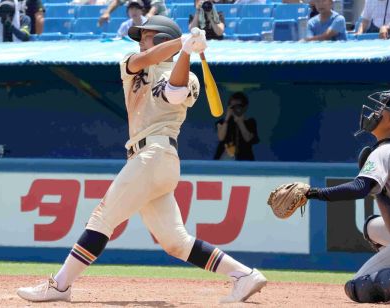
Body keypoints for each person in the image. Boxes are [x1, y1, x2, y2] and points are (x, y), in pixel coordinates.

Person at [16, 16, 267, 304]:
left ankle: (59, 286)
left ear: (161, 38)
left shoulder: (189, 77)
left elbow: (173, 94)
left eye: (146, 36)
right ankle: (244, 275)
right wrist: (183, 43)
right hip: (150, 160)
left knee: (102, 218)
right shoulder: (133, 65)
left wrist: (184, 52)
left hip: (156, 154)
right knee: (176, 242)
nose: (140, 41)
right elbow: (143, 59)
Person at [271, 89, 390, 303]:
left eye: (382, 111)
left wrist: (313, 193)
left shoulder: (386, 150)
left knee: (358, 286)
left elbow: (360, 187)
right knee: (371, 227)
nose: (375, 113)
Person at [214, 92, 259, 161]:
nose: (235, 109)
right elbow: (221, 137)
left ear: (245, 107)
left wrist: (240, 122)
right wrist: (227, 118)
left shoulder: (250, 122)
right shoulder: (222, 122)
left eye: (238, 106)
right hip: (224, 159)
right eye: (232, 106)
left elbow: (248, 138)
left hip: (244, 159)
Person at [99, 0, 167, 27]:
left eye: (136, 9)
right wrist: (107, 13)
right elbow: (118, 1)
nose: (134, 10)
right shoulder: (125, 25)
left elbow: (156, 6)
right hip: (142, 23)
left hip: (159, 22)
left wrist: (149, 15)